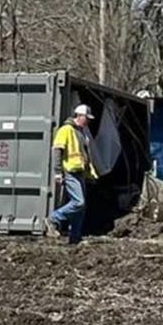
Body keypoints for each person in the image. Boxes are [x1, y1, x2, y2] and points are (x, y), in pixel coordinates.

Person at [45, 104, 98, 244]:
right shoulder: (66, 130)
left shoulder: (80, 132)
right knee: (78, 202)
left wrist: (90, 173)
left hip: (79, 172)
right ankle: (54, 218)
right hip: (70, 171)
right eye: (86, 118)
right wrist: (57, 172)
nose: (88, 121)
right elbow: (57, 150)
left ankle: (75, 237)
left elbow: (84, 155)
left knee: (81, 208)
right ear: (79, 116)